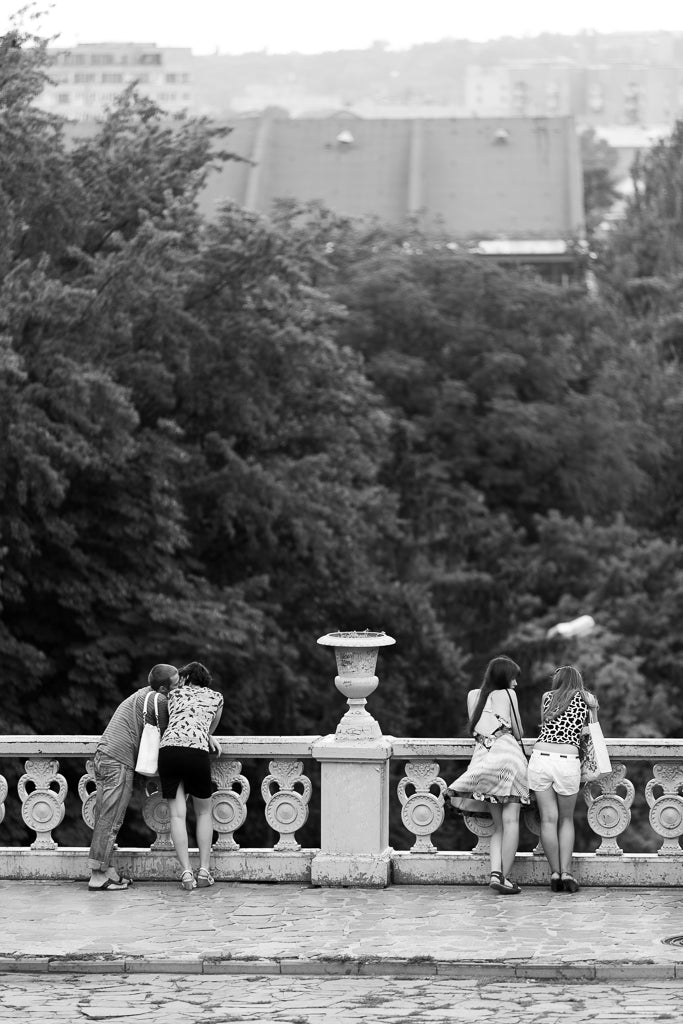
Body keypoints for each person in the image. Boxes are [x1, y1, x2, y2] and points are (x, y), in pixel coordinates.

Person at [445, 655, 530, 895]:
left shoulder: (473, 696)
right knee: (511, 820)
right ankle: (504, 877)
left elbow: (475, 728)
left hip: (485, 761)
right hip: (509, 759)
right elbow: (519, 732)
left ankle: (495, 873)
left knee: (498, 827)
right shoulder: (509, 695)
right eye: (513, 678)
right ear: (504, 676)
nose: (516, 683)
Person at [87, 664, 175, 891]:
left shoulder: (142, 694)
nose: (181, 687)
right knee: (110, 818)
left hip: (105, 756)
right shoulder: (161, 701)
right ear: (165, 688)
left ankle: (106, 870)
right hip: (117, 761)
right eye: (177, 684)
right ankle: (97, 875)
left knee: (107, 816)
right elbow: (168, 736)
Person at [528, 664, 598, 894]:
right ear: (578, 680)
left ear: (557, 680)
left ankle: (555, 873)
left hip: (540, 758)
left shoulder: (547, 697)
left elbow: (546, 725)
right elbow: (593, 730)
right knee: (565, 820)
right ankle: (566, 873)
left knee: (548, 819)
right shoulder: (587, 698)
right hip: (566, 759)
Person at [158, 661, 223, 891]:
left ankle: (186, 873)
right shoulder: (216, 698)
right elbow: (208, 728)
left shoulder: (173, 694)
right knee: (204, 812)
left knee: (177, 815)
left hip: (168, 751)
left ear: (185, 678)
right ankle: (204, 870)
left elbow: (169, 721)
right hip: (196, 752)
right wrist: (207, 736)